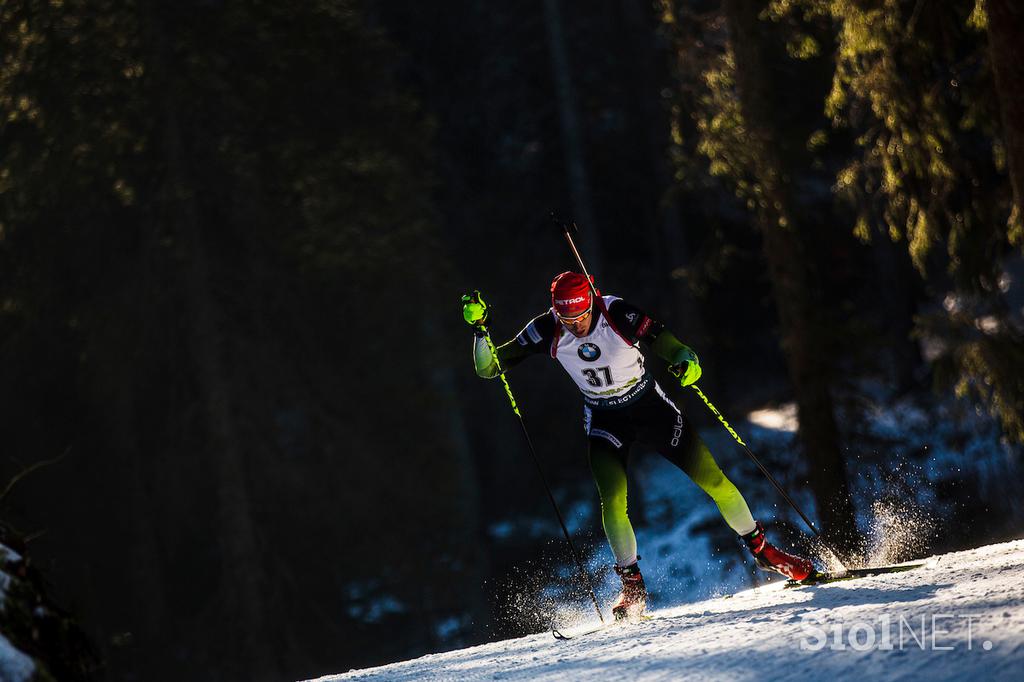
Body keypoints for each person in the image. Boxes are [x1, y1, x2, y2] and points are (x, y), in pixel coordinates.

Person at [462, 272, 814, 621]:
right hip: (604, 418)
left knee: (714, 482)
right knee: (613, 500)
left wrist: (685, 358)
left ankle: (765, 552)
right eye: (567, 320)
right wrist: (481, 330)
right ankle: (632, 587)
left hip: (649, 407)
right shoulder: (546, 328)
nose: (576, 327)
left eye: (581, 317)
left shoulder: (614, 312)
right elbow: (489, 367)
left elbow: (661, 338)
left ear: (591, 303)